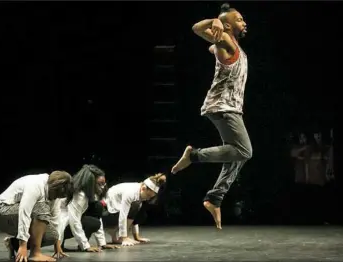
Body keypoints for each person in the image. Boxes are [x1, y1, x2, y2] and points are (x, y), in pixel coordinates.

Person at [171, 2, 251, 230]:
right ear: (227, 25)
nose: (244, 22)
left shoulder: (227, 44)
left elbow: (212, 47)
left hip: (230, 107)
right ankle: (194, 155)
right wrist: (212, 22)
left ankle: (215, 198)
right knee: (245, 151)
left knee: (237, 155)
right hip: (224, 107)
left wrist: (217, 33)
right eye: (239, 19)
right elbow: (197, 29)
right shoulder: (225, 40)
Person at [0, 171, 74, 262]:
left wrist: (57, 246)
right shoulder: (35, 185)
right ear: (54, 188)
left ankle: (13, 243)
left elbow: (56, 218)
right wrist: (23, 244)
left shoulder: (55, 193)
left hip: (17, 215)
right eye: (57, 195)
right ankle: (35, 253)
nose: (56, 198)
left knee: (52, 236)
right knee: (41, 207)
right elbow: (24, 213)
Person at [58, 164, 119, 252]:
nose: (102, 187)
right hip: (58, 228)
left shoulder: (90, 193)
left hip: (68, 223)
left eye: (103, 183)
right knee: (93, 223)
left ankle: (81, 245)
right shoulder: (79, 194)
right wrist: (85, 245)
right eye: (100, 184)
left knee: (97, 207)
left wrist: (102, 243)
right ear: (91, 182)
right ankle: (64, 245)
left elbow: (97, 217)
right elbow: (74, 220)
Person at [99, 173, 167, 246]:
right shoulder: (131, 192)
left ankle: (116, 236)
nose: (148, 198)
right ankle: (119, 236)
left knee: (141, 213)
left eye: (150, 197)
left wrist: (136, 236)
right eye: (148, 195)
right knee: (136, 205)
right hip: (105, 216)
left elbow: (133, 216)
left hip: (113, 214)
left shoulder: (139, 191)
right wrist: (124, 237)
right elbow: (123, 215)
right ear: (143, 188)